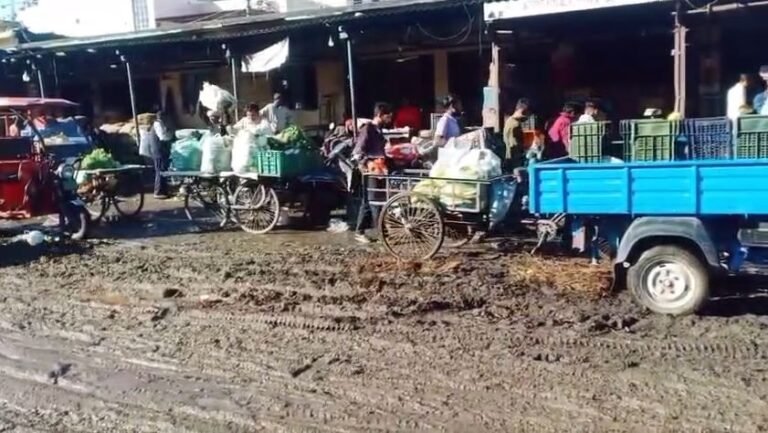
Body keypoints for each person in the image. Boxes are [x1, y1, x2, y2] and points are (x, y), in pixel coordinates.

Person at [352, 102, 393, 244]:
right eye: (388, 116)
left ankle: (359, 231)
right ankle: (382, 233)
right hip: (371, 170)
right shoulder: (368, 129)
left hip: (379, 169)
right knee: (375, 201)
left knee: (367, 202)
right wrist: (365, 164)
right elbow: (358, 151)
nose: (389, 119)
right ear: (380, 115)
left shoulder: (379, 130)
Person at [502, 98, 531, 170]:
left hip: (511, 158)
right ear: (522, 111)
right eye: (527, 113)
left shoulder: (510, 121)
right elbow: (513, 145)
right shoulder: (515, 124)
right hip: (514, 160)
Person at [151, 111, 173, 199]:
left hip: (160, 151)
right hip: (158, 151)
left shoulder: (160, 124)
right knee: (160, 171)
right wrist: (170, 135)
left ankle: (164, 190)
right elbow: (163, 137)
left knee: (162, 170)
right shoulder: (157, 124)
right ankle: (158, 192)